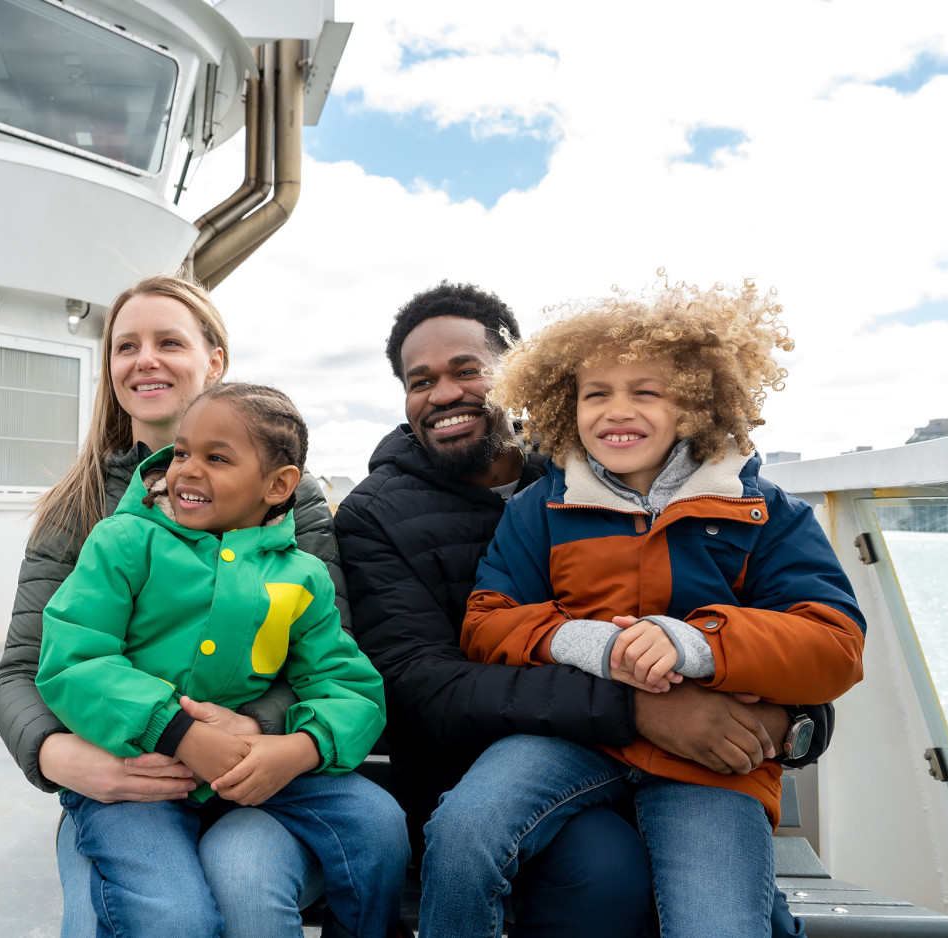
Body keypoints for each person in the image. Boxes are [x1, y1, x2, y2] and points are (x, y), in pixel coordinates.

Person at [335, 281, 835, 938]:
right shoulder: (475, 511)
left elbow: (825, 638)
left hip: (696, 762)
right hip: (534, 747)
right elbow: (432, 671)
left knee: (728, 913)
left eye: (466, 370)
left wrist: (774, 705)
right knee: (600, 876)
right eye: (419, 381)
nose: (443, 393)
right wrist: (620, 679)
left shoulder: (747, 507)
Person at [0, 273, 372, 938]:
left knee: (255, 887)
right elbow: (23, 668)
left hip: (254, 778)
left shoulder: (291, 503)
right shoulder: (79, 507)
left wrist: (251, 730)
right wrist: (55, 754)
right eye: (125, 346)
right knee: (124, 918)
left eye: (169, 342)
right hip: (122, 781)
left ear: (214, 362)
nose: (145, 360)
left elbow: (322, 656)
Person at [38, 382, 408, 938]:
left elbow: (348, 688)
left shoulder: (302, 577)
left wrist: (298, 749)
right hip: (139, 776)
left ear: (278, 485)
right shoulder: (123, 542)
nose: (187, 470)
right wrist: (177, 731)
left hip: (250, 767)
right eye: (182, 452)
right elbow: (74, 660)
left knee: (378, 823)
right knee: (176, 918)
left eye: (216, 459)